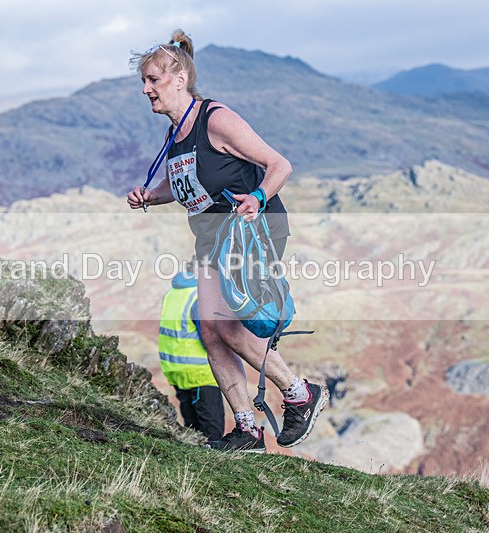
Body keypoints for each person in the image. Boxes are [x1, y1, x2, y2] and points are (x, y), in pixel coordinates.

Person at [127, 29, 329, 453]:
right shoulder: (176, 134)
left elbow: (279, 165)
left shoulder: (215, 118)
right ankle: (247, 430)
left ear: (179, 79)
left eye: (153, 80)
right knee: (209, 328)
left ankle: (300, 395)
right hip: (211, 239)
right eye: (144, 82)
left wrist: (257, 196)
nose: (146, 90)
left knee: (230, 328)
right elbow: (181, 183)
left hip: (253, 231)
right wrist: (151, 196)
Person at [158, 262, 225, 442]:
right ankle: (214, 468)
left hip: (176, 371)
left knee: (192, 432)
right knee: (212, 433)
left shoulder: (172, 294)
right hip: (202, 373)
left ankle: (192, 467)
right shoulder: (200, 297)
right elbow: (209, 338)